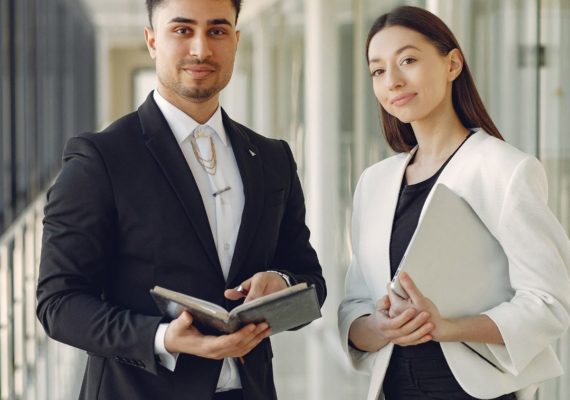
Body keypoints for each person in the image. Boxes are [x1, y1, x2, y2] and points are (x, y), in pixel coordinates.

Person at [36, 0, 326, 399]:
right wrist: (163, 338)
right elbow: (58, 304)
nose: (201, 49)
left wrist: (283, 283)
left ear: (236, 40)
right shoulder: (100, 158)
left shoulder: (272, 158)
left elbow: (311, 282)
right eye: (182, 30)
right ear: (153, 40)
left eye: (218, 31)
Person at [338, 5, 570, 400]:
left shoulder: (505, 169)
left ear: (452, 64)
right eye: (378, 70)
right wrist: (379, 327)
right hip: (392, 389)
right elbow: (354, 306)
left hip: (472, 391)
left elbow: (549, 304)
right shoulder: (374, 182)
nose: (392, 81)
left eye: (408, 60)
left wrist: (448, 326)